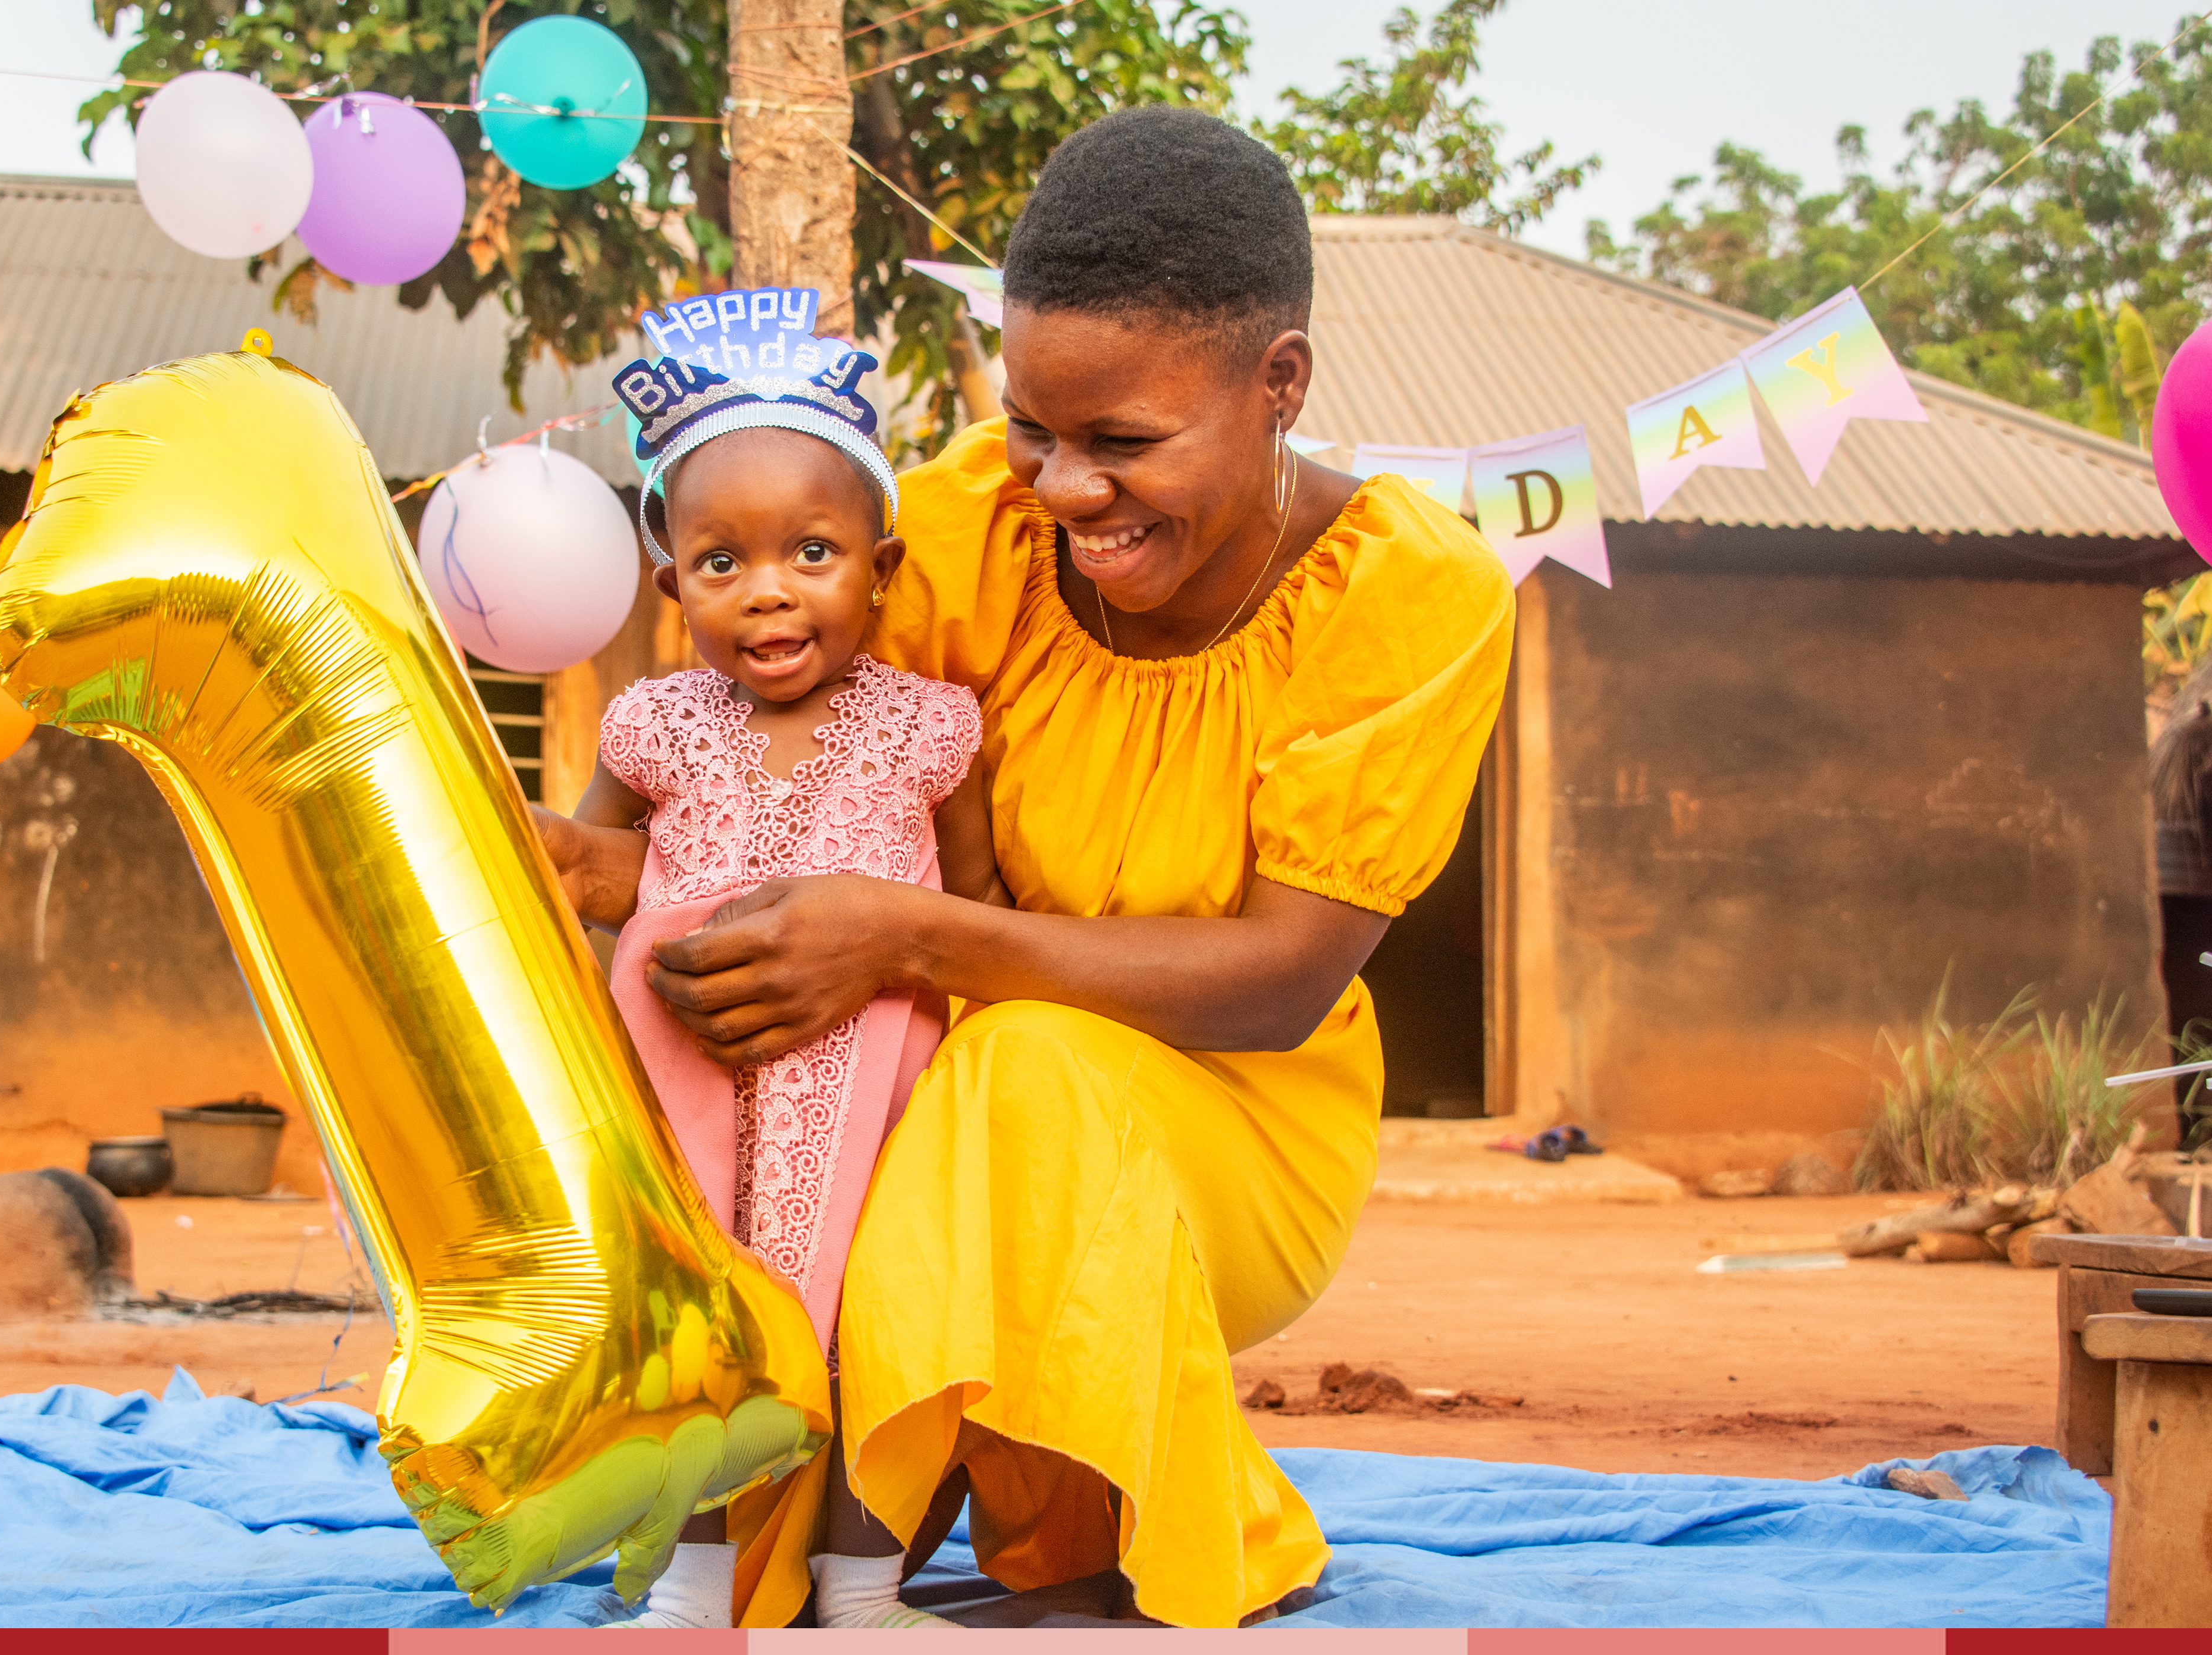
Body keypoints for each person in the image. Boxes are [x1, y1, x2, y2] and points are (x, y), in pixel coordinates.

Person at [545, 108, 1517, 1628]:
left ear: (1279, 386)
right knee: (878, 1096)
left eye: (1125, 443)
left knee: (1024, 1066)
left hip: (1236, 1138)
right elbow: (755, 772)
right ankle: (828, 1484)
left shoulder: (1411, 592)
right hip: (908, 1093)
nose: (1065, 488)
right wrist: (583, 867)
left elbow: (1280, 982)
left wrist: (908, 939)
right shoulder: (933, 535)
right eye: (1034, 429)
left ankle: (1139, 1513)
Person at [530, 292, 1000, 1629]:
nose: (771, 588)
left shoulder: (928, 730)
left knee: (873, 1329)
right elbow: (586, 879)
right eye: (723, 562)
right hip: (695, 1104)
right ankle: (687, 1590)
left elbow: (974, 909)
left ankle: (861, 1587)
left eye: (811, 549)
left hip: (882, 1102)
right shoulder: (652, 726)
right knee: (708, 1331)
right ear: (672, 582)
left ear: (881, 568)